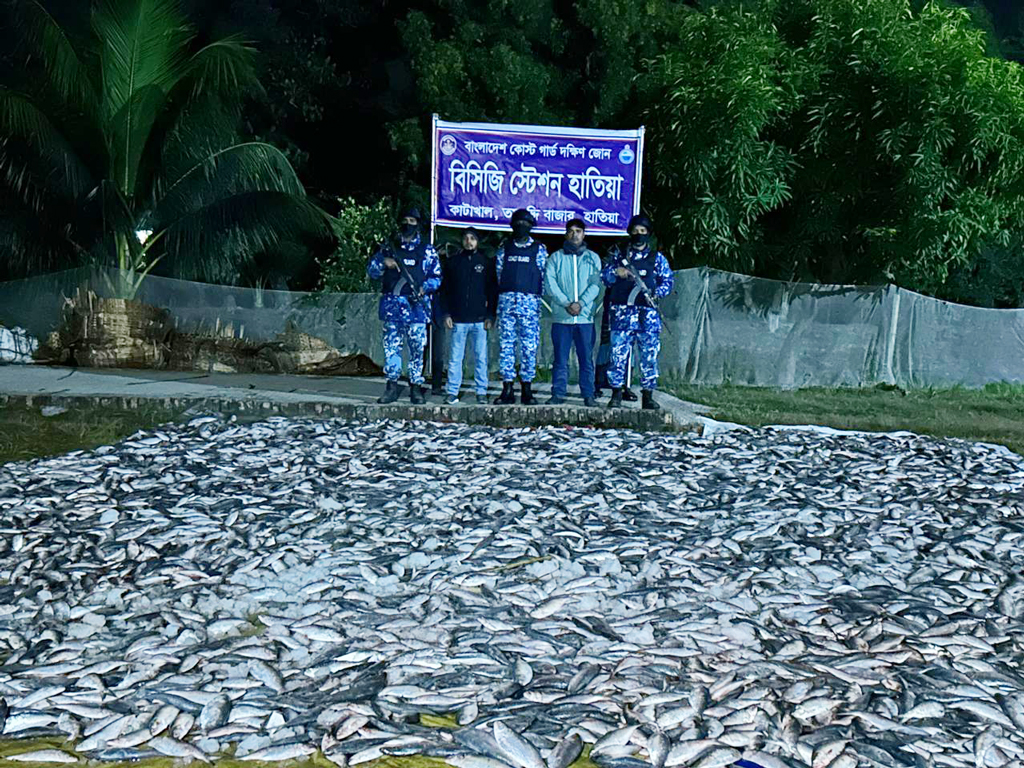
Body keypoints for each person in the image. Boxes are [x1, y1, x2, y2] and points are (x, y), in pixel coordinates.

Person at [366, 207, 442, 405]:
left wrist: (425, 288)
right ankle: (392, 386)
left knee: (417, 349)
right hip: (393, 308)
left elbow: (437, 277)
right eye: (405, 219)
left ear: (418, 224)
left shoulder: (426, 250)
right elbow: (372, 271)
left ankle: (415, 388)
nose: (408, 224)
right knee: (392, 349)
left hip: (416, 308)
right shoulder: (389, 248)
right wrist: (384, 262)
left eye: (412, 220)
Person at [601, 214, 674, 410]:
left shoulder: (656, 259)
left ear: (648, 234)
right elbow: (605, 277)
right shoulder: (619, 257)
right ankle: (616, 393)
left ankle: (648, 396)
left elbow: (668, 282)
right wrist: (616, 272)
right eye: (635, 231)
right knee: (617, 355)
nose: (638, 235)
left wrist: (654, 293)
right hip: (622, 314)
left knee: (649, 356)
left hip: (647, 316)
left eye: (643, 232)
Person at [544, 218, 600, 407]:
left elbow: (596, 284)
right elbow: (550, 284)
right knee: (560, 359)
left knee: (586, 359)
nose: (574, 234)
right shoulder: (555, 258)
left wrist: (582, 303)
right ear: (566, 234)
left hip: (584, 319)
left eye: (578, 231)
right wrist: (566, 303)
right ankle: (558, 393)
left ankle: (588, 394)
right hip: (562, 318)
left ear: (584, 234)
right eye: (571, 231)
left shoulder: (593, 258)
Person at [493, 209, 547, 405]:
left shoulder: (539, 249)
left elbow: (542, 275)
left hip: (530, 307)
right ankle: (507, 389)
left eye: (525, 224)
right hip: (507, 305)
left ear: (531, 227)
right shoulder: (504, 248)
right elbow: (500, 273)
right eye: (518, 224)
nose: (521, 227)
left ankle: (527, 389)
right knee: (506, 347)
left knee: (529, 347)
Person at [438, 227, 497, 405]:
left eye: (472, 238)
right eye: (466, 238)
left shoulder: (486, 263)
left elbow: (493, 291)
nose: (469, 241)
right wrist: (446, 313)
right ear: (462, 241)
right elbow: (445, 290)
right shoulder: (453, 262)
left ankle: (481, 391)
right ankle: (452, 391)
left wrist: (490, 315)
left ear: (477, 241)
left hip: (480, 320)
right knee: (455, 358)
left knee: (481, 357)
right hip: (458, 320)